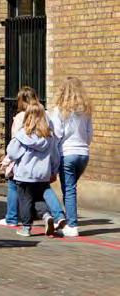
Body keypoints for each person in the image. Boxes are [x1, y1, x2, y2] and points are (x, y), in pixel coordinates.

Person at [0, 87, 64, 232]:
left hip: (24, 173)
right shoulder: (48, 133)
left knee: (25, 199)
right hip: (42, 172)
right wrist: (54, 170)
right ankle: (53, 215)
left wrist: (7, 160)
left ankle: (24, 226)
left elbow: (13, 152)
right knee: (42, 195)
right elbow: (54, 154)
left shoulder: (22, 133)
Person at [50, 76, 94, 237]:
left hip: (67, 153)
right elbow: (89, 134)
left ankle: (72, 225)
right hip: (83, 154)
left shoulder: (59, 111)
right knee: (70, 188)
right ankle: (68, 221)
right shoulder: (86, 110)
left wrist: (54, 156)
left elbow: (57, 135)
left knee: (69, 190)